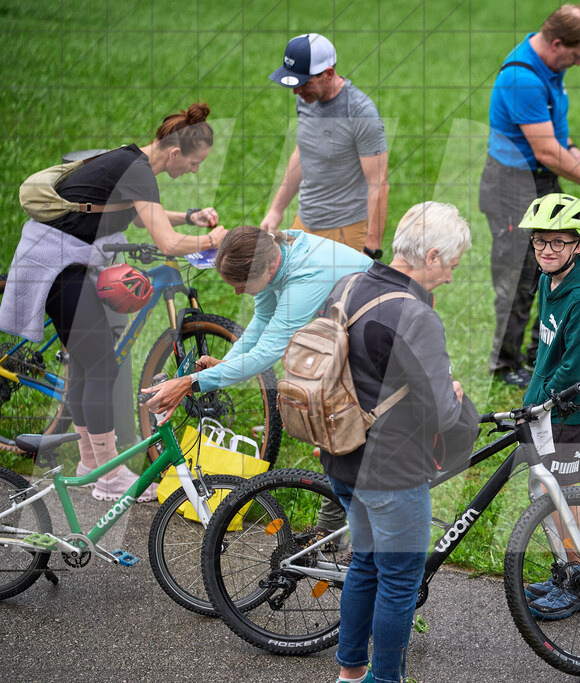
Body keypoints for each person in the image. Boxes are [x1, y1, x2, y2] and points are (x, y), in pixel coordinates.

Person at [0, 102, 227, 502]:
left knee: (90, 363)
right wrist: (214, 241)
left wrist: (190, 217)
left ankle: (92, 465)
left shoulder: (134, 160)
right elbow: (166, 243)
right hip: (56, 263)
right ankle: (110, 478)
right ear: (175, 152)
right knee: (101, 363)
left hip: (69, 258)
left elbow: (142, 216)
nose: (195, 171)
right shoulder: (139, 172)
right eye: (194, 163)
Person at [320, 202, 476, 683]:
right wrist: (457, 396)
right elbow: (445, 415)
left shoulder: (349, 285)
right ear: (430, 256)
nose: (450, 277)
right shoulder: (415, 315)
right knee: (399, 581)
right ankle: (386, 679)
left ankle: (350, 673)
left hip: (341, 455)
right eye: (450, 265)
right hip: (391, 473)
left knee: (365, 564)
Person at [479, 4, 580, 388]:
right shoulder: (523, 77)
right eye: (577, 55)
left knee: (553, 266)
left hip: (539, 181)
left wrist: (570, 147)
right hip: (512, 185)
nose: (579, 62)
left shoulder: (549, 68)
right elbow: (542, 149)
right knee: (519, 276)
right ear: (558, 44)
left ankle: (538, 350)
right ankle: (504, 364)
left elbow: (552, 128)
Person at [141, 225, 371, 430]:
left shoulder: (304, 276)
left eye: (242, 286)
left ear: (269, 269)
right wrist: (227, 363)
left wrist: (191, 382)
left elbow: (266, 354)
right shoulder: (273, 252)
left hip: (378, 327)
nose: (237, 293)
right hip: (355, 327)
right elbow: (262, 319)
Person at [516, 193, 580, 619]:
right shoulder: (547, 281)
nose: (547, 251)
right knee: (546, 492)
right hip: (544, 405)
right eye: (539, 242)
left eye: (558, 242)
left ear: (579, 245)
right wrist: (534, 394)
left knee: (564, 497)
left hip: (568, 410)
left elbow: (574, 368)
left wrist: (545, 400)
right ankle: (564, 571)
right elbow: (546, 346)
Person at [261, 33, 389, 261]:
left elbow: (378, 185)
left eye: (304, 84)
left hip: (345, 231)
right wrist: (276, 209)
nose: (296, 92)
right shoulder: (306, 98)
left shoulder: (360, 113)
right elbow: (303, 152)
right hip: (305, 221)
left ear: (328, 74)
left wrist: (371, 250)